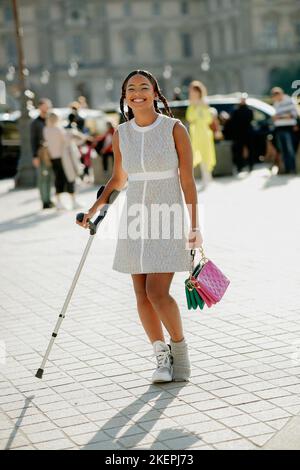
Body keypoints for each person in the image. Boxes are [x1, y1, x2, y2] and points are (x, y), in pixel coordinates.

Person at [77, 70, 203, 384]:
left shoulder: (175, 129)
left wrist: (195, 226)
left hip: (168, 216)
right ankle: (160, 356)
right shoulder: (121, 133)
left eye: (144, 87)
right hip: (135, 219)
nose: (137, 93)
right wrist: (93, 211)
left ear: (155, 93)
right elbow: (119, 179)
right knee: (141, 295)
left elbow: (187, 180)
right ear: (125, 96)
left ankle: (180, 349)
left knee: (157, 292)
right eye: (131, 89)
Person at [43, 112, 82, 210]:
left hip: (53, 157)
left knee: (58, 179)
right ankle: (73, 202)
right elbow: (66, 140)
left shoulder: (45, 129)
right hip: (63, 157)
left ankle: (59, 203)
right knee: (69, 178)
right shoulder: (58, 129)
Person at [186, 80, 216, 188]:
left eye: (194, 91)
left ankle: (207, 177)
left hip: (205, 132)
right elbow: (190, 118)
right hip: (196, 133)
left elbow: (208, 119)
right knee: (196, 153)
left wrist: (200, 109)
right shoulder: (191, 104)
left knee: (206, 154)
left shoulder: (204, 103)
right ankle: (204, 177)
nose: (193, 93)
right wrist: (195, 107)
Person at [31, 98, 54, 210]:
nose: (47, 108)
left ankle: (49, 200)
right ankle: (44, 201)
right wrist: (34, 156)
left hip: (51, 153)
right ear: (40, 107)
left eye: (48, 105)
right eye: (45, 105)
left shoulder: (50, 120)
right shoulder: (35, 123)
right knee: (42, 177)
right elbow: (33, 140)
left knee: (50, 177)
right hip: (40, 152)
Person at [271, 87, 298, 174]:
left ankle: (292, 169)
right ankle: (286, 169)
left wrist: (279, 117)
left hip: (288, 128)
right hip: (279, 128)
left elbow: (293, 115)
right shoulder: (276, 103)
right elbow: (275, 116)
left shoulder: (289, 101)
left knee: (290, 150)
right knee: (282, 150)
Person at [229, 94, 254, 173]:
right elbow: (233, 123)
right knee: (239, 151)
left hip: (247, 133)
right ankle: (240, 166)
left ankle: (250, 165)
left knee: (250, 150)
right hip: (239, 134)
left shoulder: (249, 110)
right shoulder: (236, 111)